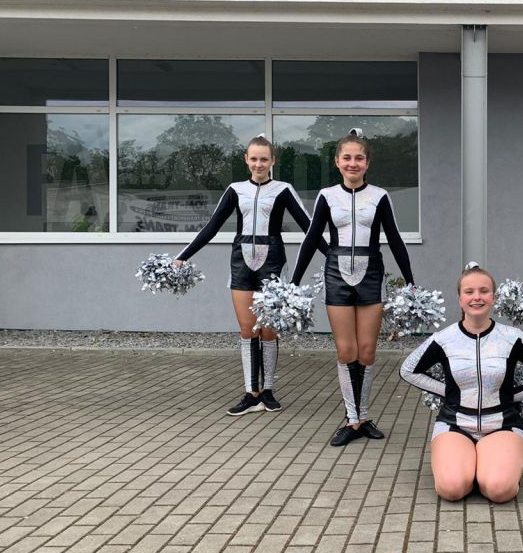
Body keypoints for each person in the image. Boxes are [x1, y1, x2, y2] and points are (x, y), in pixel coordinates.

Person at [291, 128, 415, 446]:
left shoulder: (380, 196)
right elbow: (311, 239)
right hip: (336, 273)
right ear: (337, 161)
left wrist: (411, 281)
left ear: (367, 163)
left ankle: (363, 416)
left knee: (368, 350)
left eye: (359, 158)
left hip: (371, 272)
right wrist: (293, 281)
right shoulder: (327, 196)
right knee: (347, 351)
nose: (353, 163)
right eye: (346, 157)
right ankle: (352, 419)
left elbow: (395, 239)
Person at [400, 263, 523, 502]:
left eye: (484, 291)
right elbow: (408, 369)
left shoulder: (512, 337)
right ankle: (470, 466)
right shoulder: (444, 338)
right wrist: (448, 392)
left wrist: (514, 395)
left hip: (502, 425)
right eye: (469, 292)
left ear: (493, 298)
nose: (477, 297)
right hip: (455, 424)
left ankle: (490, 467)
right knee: (451, 489)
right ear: (460, 299)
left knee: (499, 490)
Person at [174, 135, 311, 416]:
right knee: (248, 330)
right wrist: (183, 256)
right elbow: (212, 226)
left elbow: (310, 227)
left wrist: (333, 254)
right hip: (241, 261)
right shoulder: (235, 190)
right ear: (246, 159)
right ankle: (251, 393)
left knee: (268, 329)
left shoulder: (283, 189)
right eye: (254, 159)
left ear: (272, 161)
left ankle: (268, 390)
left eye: (264, 159)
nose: (259, 164)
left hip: (272, 261)